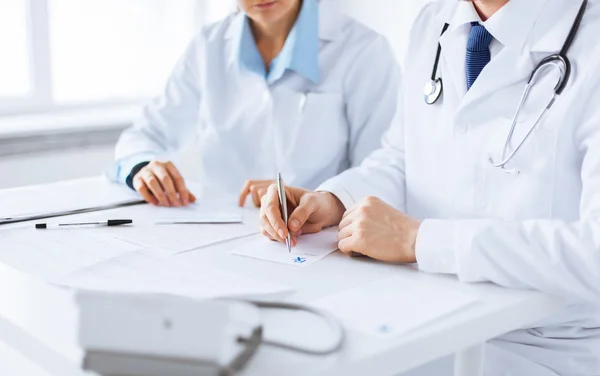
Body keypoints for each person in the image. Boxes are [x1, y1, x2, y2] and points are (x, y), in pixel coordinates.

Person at [260, 0, 600, 374]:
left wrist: (421, 240)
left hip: (547, 345)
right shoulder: (435, 20)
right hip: (431, 318)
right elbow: (402, 157)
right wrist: (334, 201)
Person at [108, 0, 399, 208]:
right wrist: (144, 166)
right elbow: (145, 136)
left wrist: (316, 197)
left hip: (316, 238)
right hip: (218, 233)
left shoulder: (364, 50)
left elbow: (381, 172)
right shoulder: (208, 46)